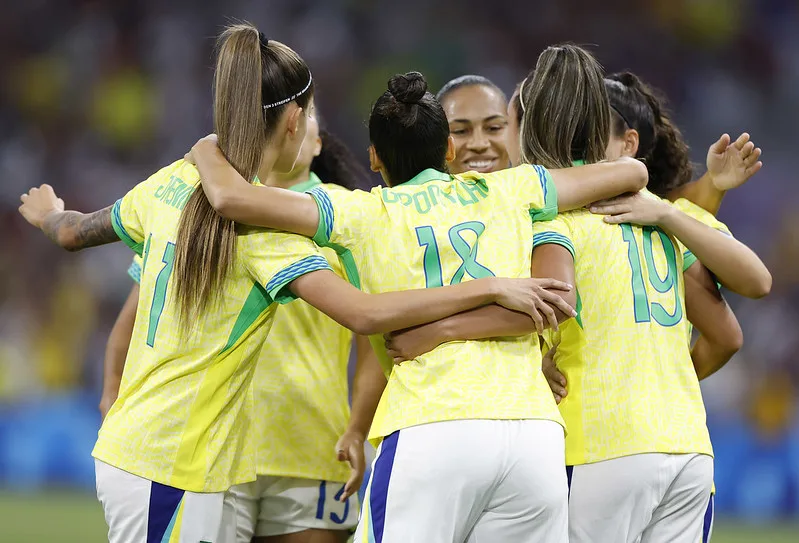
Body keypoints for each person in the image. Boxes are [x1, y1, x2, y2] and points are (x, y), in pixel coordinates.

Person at [17, 25, 559, 543]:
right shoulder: (267, 232)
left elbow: (73, 233)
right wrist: (491, 288)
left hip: (156, 447)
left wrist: (48, 214)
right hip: (175, 458)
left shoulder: (168, 184)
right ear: (297, 121)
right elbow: (364, 314)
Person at [186, 64, 648, 540]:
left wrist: (205, 148)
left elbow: (228, 198)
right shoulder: (512, 188)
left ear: (374, 158)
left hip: (431, 424)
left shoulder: (359, 211)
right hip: (534, 435)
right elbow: (631, 170)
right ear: (448, 148)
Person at [383, 45, 770, 543]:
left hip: (595, 442)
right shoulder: (653, 208)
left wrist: (445, 332)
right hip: (687, 445)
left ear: (531, 127)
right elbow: (732, 325)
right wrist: (651, 379)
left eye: (506, 124)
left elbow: (549, 300)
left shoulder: (548, 213)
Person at [101, 113, 376, 542]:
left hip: (312, 442)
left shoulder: (346, 215)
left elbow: (371, 339)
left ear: (318, 141)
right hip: (219, 448)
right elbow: (134, 318)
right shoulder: (202, 209)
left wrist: (359, 427)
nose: (294, 125)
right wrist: (112, 399)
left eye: (306, 117)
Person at [436, 75, 510, 174]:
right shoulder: (411, 189)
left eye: (493, 128)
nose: (479, 144)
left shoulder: (536, 187)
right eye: (460, 131)